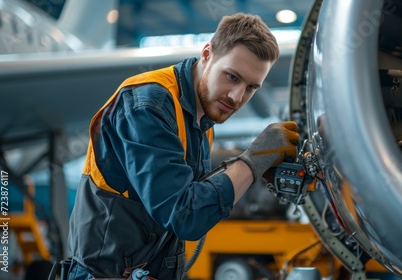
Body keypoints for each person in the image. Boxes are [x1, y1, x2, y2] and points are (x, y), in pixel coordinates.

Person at [67, 13, 299, 279]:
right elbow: (185, 216)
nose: (237, 97)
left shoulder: (200, 121)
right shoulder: (147, 105)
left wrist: (256, 167)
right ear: (207, 53)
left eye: (251, 87)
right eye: (232, 77)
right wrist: (253, 161)